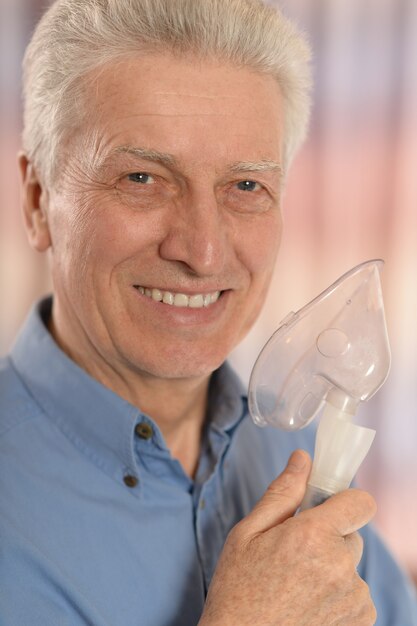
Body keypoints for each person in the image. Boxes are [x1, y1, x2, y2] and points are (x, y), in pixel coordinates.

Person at [0, 0, 416, 624]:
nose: (202, 251)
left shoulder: (295, 459)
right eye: (142, 178)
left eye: (246, 187)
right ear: (37, 202)